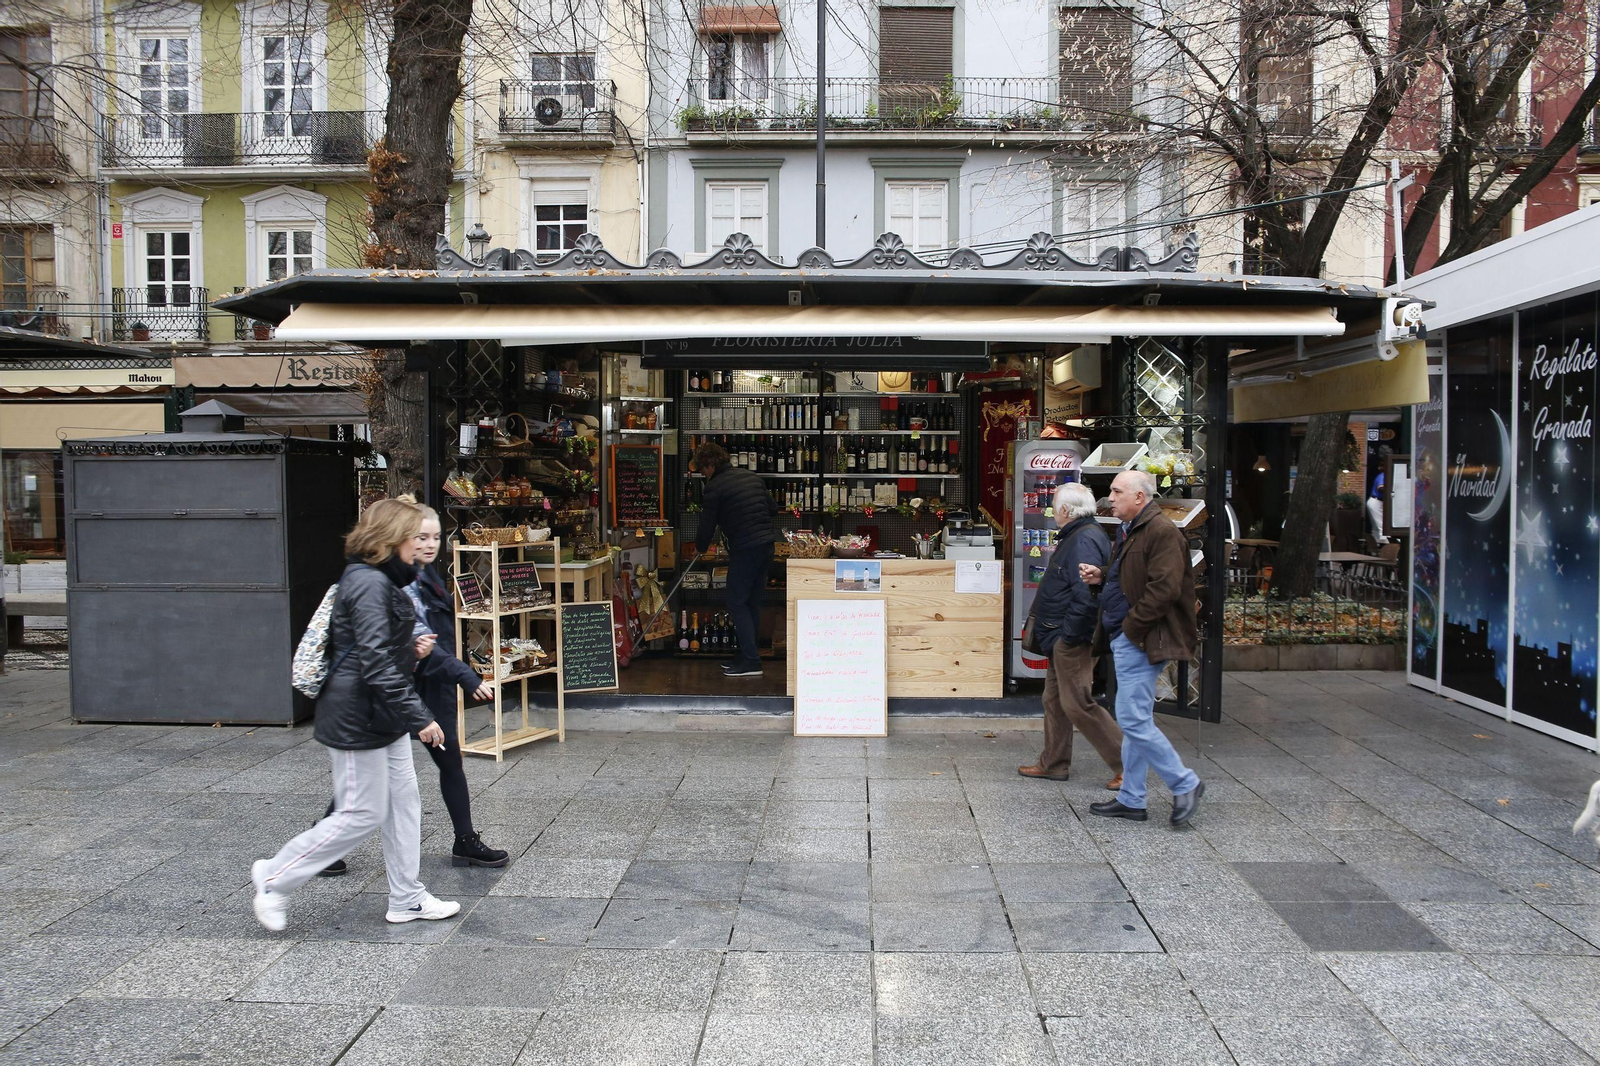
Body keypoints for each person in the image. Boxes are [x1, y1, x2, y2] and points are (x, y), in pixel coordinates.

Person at [251, 498, 460, 930]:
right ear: (393, 541)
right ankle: (274, 877)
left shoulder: (383, 579)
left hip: (380, 712)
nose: (421, 544)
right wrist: (420, 715)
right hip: (357, 715)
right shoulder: (368, 583)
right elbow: (374, 661)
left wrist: (410, 653)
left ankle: (406, 898)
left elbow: (379, 651)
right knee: (360, 813)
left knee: (404, 804)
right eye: (414, 536)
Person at [318, 502, 508, 876]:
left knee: (438, 767)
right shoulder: (385, 582)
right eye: (419, 536)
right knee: (369, 782)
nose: (429, 544)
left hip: (424, 687)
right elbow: (399, 649)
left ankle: (459, 845)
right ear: (396, 539)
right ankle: (311, 850)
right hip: (403, 690)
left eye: (436, 537)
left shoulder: (423, 576)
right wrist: (465, 677)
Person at [1079, 470, 1205, 826]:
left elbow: (1163, 590)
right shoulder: (1132, 528)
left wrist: (1129, 629)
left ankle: (1185, 782)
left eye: (1117, 492)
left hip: (1141, 637)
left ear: (1140, 496)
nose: (1111, 498)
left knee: (1133, 718)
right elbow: (1133, 576)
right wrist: (1103, 576)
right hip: (1132, 636)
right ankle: (1132, 798)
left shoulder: (1161, 532)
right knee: (1137, 718)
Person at [1018, 482, 1124, 788]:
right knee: (1054, 699)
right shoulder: (1081, 534)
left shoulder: (1083, 539)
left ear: (1065, 510)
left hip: (1069, 636)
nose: (1052, 511)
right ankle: (1053, 763)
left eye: (1054, 505)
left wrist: (1069, 637)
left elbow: (1085, 595)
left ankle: (1126, 764)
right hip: (1060, 634)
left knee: (1078, 703)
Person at [694, 440, 778, 678]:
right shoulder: (751, 477)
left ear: (710, 464)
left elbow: (706, 524)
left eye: (703, 470)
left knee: (736, 602)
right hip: (766, 546)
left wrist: (700, 548)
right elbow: (772, 508)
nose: (703, 474)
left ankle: (751, 661)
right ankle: (747, 653)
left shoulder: (714, 487)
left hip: (746, 548)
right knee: (751, 602)